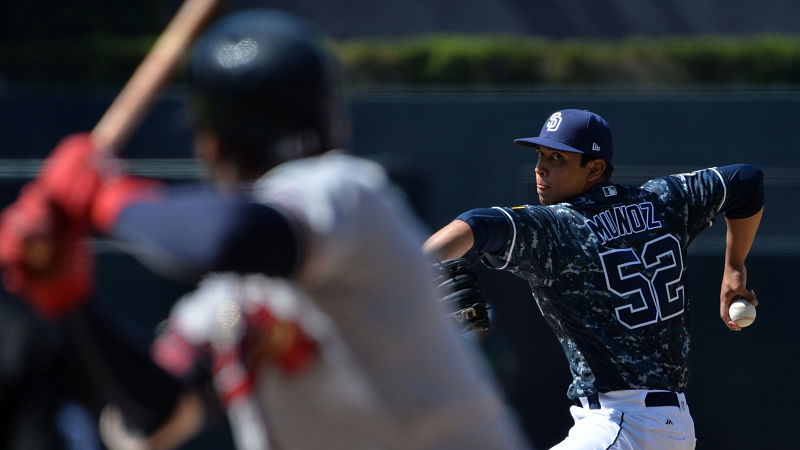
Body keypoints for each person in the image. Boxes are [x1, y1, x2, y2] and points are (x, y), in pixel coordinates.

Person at [0, 8, 530, 450]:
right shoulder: (228, 301)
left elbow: (233, 236)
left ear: (211, 143)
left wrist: (101, 197)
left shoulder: (347, 194)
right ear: (332, 117)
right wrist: (69, 297)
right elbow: (154, 412)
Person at [422, 108, 764, 449]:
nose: (541, 167)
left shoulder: (560, 227)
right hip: (664, 426)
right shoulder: (662, 201)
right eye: (540, 154)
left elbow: (478, 225)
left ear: (595, 168)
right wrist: (735, 268)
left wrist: (417, 267)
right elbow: (745, 181)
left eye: (557, 157)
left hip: (622, 423)